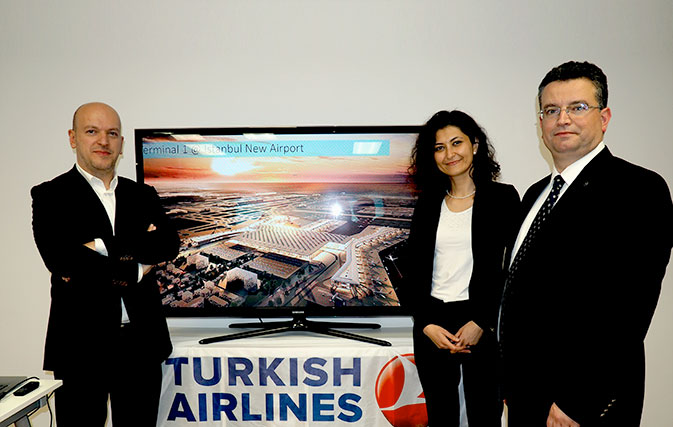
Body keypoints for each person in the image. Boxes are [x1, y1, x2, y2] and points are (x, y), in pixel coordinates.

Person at [499, 61, 673, 426]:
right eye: (551, 110)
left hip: (579, 406)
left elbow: (629, 308)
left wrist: (578, 401)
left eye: (577, 107)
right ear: (541, 124)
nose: (562, 119)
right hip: (525, 397)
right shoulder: (534, 195)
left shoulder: (638, 190)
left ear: (604, 117)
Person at [31, 102, 180, 425]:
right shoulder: (50, 196)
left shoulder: (143, 195)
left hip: (141, 345)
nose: (104, 141)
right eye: (92, 131)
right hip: (80, 349)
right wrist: (139, 268)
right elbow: (64, 260)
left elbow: (169, 244)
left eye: (112, 133)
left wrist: (99, 247)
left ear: (122, 143)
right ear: (73, 138)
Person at [401, 110, 520, 426]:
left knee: (485, 416)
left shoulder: (503, 198)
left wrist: (481, 321)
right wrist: (426, 324)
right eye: (439, 147)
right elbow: (412, 271)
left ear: (475, 144)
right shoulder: (427, 202)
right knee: (441, 418)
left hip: (481, 322)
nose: (449, 154)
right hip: (433, 324)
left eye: (456, 143)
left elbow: (512, 271)